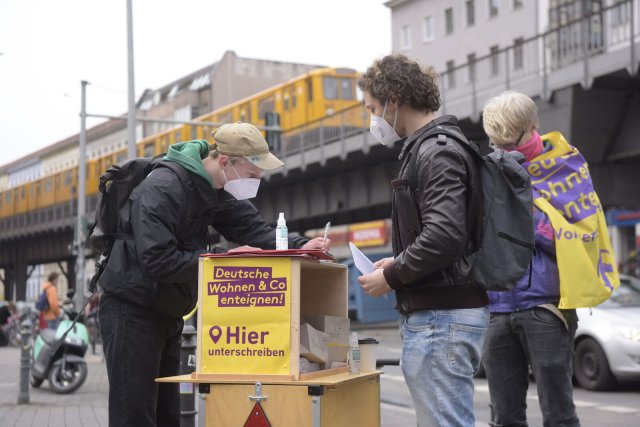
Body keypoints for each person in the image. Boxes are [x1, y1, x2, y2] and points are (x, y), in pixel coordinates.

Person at [97, 123, 329, 427]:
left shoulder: (213, 190)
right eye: (252, 175)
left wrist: (302, 245)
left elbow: (252, 229)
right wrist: (221, 261)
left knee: (168, 417)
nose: (256, 183)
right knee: (135, 416)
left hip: (166, 312)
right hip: (131, 310)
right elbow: (158, 259)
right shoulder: (164, 187)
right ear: (224, 162)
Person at [356, 54, 489, 427]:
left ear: (394, 99)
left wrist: (394, 275)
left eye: (373, 108)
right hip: (440, 314)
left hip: (439, 318)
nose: (373, 119)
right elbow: (440, 234)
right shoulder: (436, 146)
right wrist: (396, 263)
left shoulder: (437, 150)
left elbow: (445, 235)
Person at [480, 90, 585, 427]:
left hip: (546, 306)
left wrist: (522, 211)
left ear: (533, 127)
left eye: (510, 144)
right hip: (498, 308)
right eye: (497, 145)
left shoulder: (565, 169)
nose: (504, 152)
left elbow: (578, 238)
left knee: (559, 415)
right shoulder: (490, 171)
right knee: (504, 417)